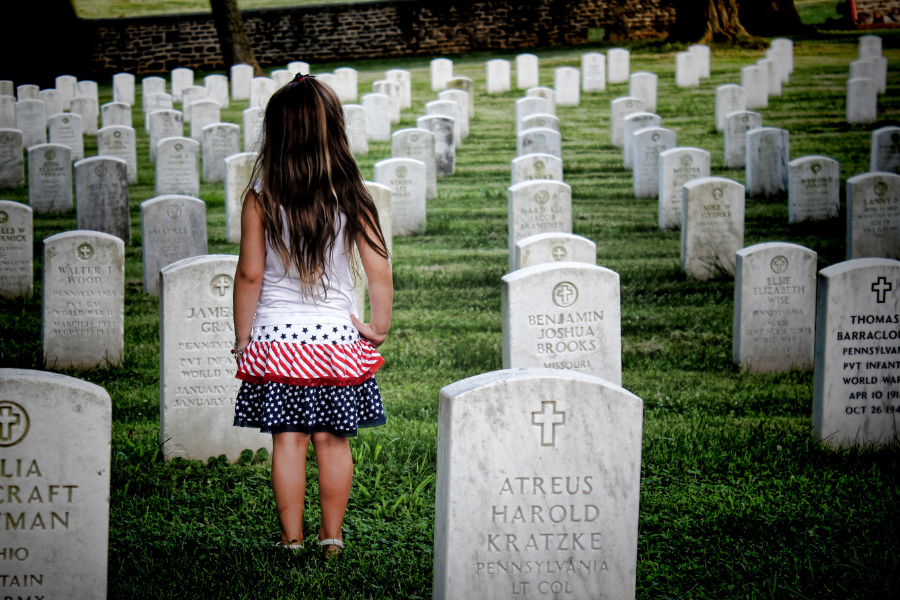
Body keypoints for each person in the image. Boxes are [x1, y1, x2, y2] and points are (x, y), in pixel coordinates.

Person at [230, 73, 392, 556]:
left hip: (279, 342)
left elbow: (250, 276)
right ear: (334, 130)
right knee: (333, 440)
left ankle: (291, 539)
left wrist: (244, 339)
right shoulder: (352, 194)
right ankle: (332, 537)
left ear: (276, 133)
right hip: (337, 343)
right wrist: (377, 327)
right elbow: (378, 271)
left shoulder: (261, 196)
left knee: (288, 441)